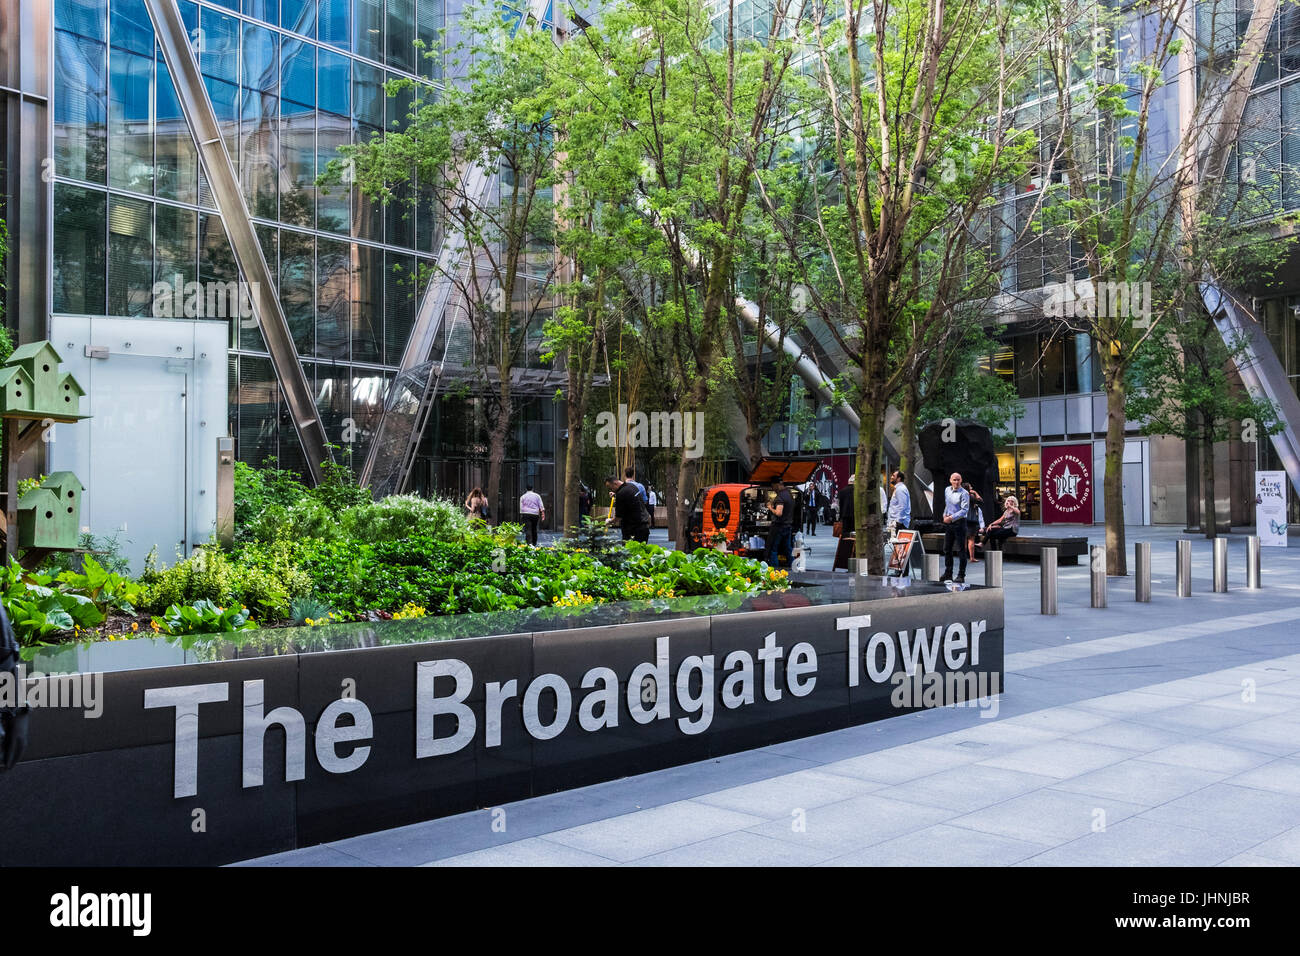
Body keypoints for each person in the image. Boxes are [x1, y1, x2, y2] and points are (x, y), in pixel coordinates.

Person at [940, 472, 970, 584]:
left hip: (959, 523)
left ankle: (961, 575)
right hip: (949, 523)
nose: (956, 482)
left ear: (961, 480)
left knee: (961, 550)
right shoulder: (947, 490)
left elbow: (964, 510)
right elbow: (947, 505)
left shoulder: (965, 493)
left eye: (958, 480)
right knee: (947, 549)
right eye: (954, 480)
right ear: (950, 480)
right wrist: (944, 515)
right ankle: (948, 573)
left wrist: (951, 518)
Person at [605, 475, 650, 542]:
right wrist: (616, 494)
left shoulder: (621, 494)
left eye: (610, 488)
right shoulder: (632, 486)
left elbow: (618, 517)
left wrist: (609, 521)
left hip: (633, 529)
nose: (611, 490)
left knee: (629, 551)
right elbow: (629, 497)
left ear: (615, 483)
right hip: (644, 525)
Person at [766, 479, 795, 568]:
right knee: (788, 548)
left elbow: (779, 513)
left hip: (779, 526)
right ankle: (793, 566)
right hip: (788, 525)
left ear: (778, 485)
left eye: (773, 486)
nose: (773, 489)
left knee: (773, 549)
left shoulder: (780, 497)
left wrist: (770, 507)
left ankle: (774, 569)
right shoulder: (789, 494)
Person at [964, 481, 984, 563]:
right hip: (971, 520)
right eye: (970, 486)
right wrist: (975, 493)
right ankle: (972, 557)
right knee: (971, 539)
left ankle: (963, 556)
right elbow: (981, 501)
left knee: (964, 539)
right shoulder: (970, 496)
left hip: (962, 519)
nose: (971, 487)